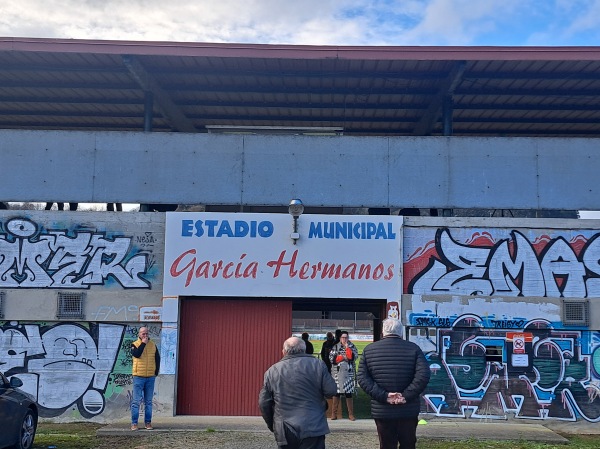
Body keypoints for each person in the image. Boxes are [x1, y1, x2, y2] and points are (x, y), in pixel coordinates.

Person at [358, 318, 430, 449]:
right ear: (401, 332)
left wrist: (384, 396)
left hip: (382, 409)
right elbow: (423, 376)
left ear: (382, 332)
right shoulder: (414, 349)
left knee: (386, 445)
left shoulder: (369, 350)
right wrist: (405, 396)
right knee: (408, 444)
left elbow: (363, 379)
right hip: (408, 409)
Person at [259, 336, 337, 449]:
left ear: (284, 351)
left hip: (285, 428)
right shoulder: (318, 365)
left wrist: (273, 425)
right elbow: (331, 391)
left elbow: (263, 403)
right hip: (313, 426)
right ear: (304, 349)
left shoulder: (272, 371)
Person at [131, 326, 160, 431]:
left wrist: (155, 372)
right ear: (139, 334)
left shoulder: (153, 345)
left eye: (146, 333)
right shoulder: (135, 344)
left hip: (150, 377)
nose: (145, 335)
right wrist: (143, 343)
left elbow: (157, 359)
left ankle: (148, 423)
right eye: (143, 333)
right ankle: (134, 423)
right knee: (136, 401)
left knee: (148, 401)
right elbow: (137, 355)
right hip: (138, 376)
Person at [328, 331, 358, 420]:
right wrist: (342, 357)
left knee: (348, 393)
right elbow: (332, 359)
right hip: (337, 373)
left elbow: (352, 357)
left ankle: (351, 414)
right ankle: (334, 414)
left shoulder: (352, 346)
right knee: (336, 393)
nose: (344, 339)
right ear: (340, 338)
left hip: (348, 373)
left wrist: (347, 350)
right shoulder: (335, 347)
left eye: (346, 337)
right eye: (343, 337)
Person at [320, 331, 335, 418]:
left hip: (333, 363)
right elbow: (322, 353)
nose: (329, 338)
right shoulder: (325, 343)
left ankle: (331, 391)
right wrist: (324, 360)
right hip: (326, 362)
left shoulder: (335, 343)